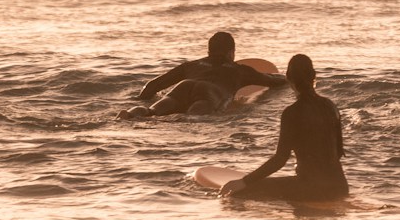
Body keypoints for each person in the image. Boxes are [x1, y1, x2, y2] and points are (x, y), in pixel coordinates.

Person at [223, 54, 348, 199]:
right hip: (340, 186)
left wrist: (244, 182)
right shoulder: (331, 106)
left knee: (238, 194)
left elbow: (280, 159)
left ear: (289, 78)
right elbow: (339, 152)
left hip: (312, 189)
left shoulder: (292, 112)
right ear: (314, 76)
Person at [123, 31, 287, 118]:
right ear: (231, 52)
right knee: (191, 118)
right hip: (210, 93)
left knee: (152, 112)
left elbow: (152, 86)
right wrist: (288, 77)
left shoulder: (191, 65)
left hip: (183, 86)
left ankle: (131, 114)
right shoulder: (240, 71)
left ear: (209, 51)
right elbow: (272, 80)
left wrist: (141, 98)